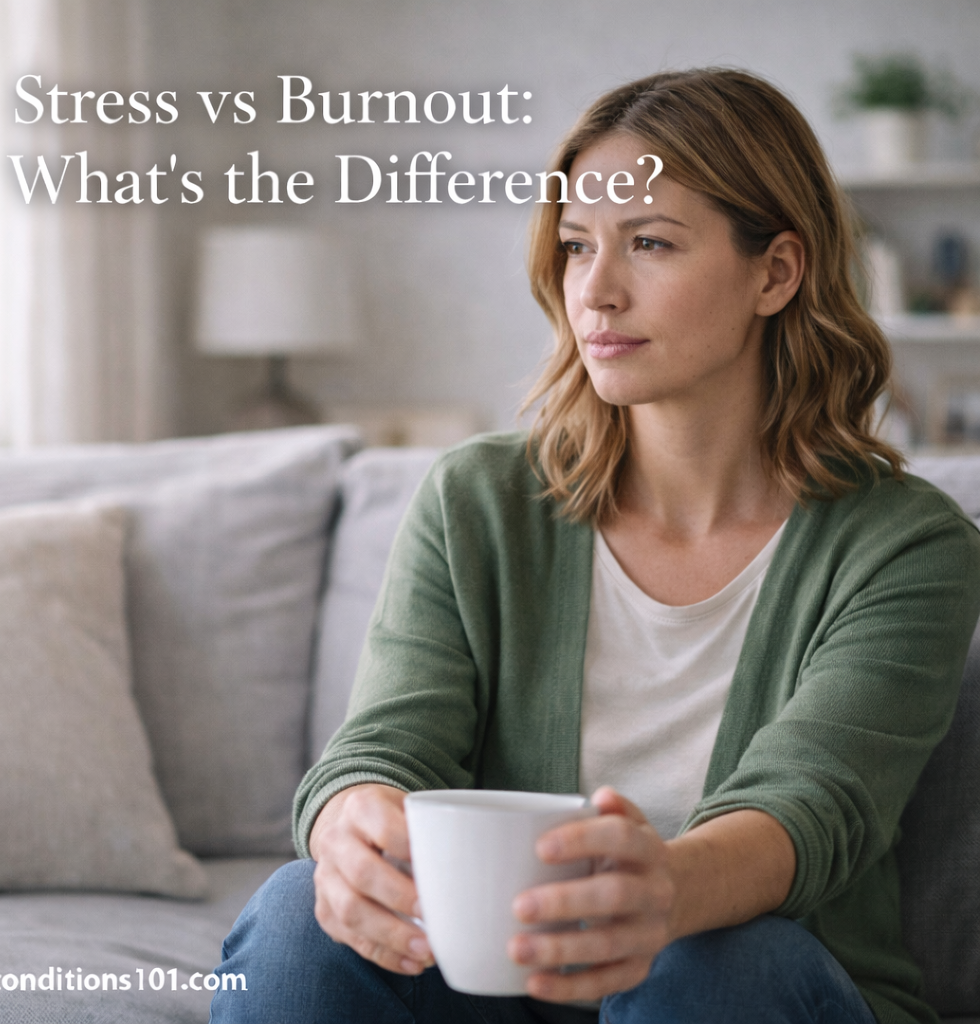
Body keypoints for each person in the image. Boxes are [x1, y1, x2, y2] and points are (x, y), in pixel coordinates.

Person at [210, 68, 980, 1024]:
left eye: (649, 243)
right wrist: (347, 823)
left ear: (776, 272)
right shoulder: (477, 500)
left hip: (748, 986)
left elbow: (814, 804)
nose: (598, 291)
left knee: (707, 962)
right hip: (492, 986)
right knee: (295, 914)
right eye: (578, 247)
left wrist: (661, 893)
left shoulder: (909, 546)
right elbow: (385, 744)